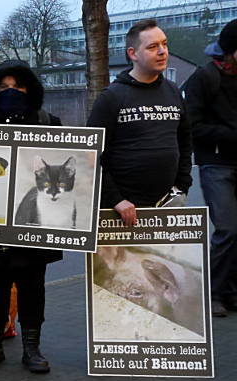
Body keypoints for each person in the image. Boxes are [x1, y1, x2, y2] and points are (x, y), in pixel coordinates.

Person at [0, 60, 63, 374]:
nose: (12, 92)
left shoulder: (49, 122)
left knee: (33, 288)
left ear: (31, 89)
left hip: (35, 224)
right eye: (4, 87)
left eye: (18, 86)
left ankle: (32, 348)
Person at [87, 18, 192, 227]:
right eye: (153, 47)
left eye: (164, 44)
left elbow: (185, 143)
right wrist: (115, 200)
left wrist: (182, 186)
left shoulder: (173, 92)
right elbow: (90, 155)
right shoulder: (111, 97)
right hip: (120, 212)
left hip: (166, 207)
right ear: (133, 54)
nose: (162, 51)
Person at [184, 19, 237, 317]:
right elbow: (193, 125)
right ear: (230, 52)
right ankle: (214, 293)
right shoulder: (203, 78)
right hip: (216, 163)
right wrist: (230, 136)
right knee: (227, 229)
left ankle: (231, 291)